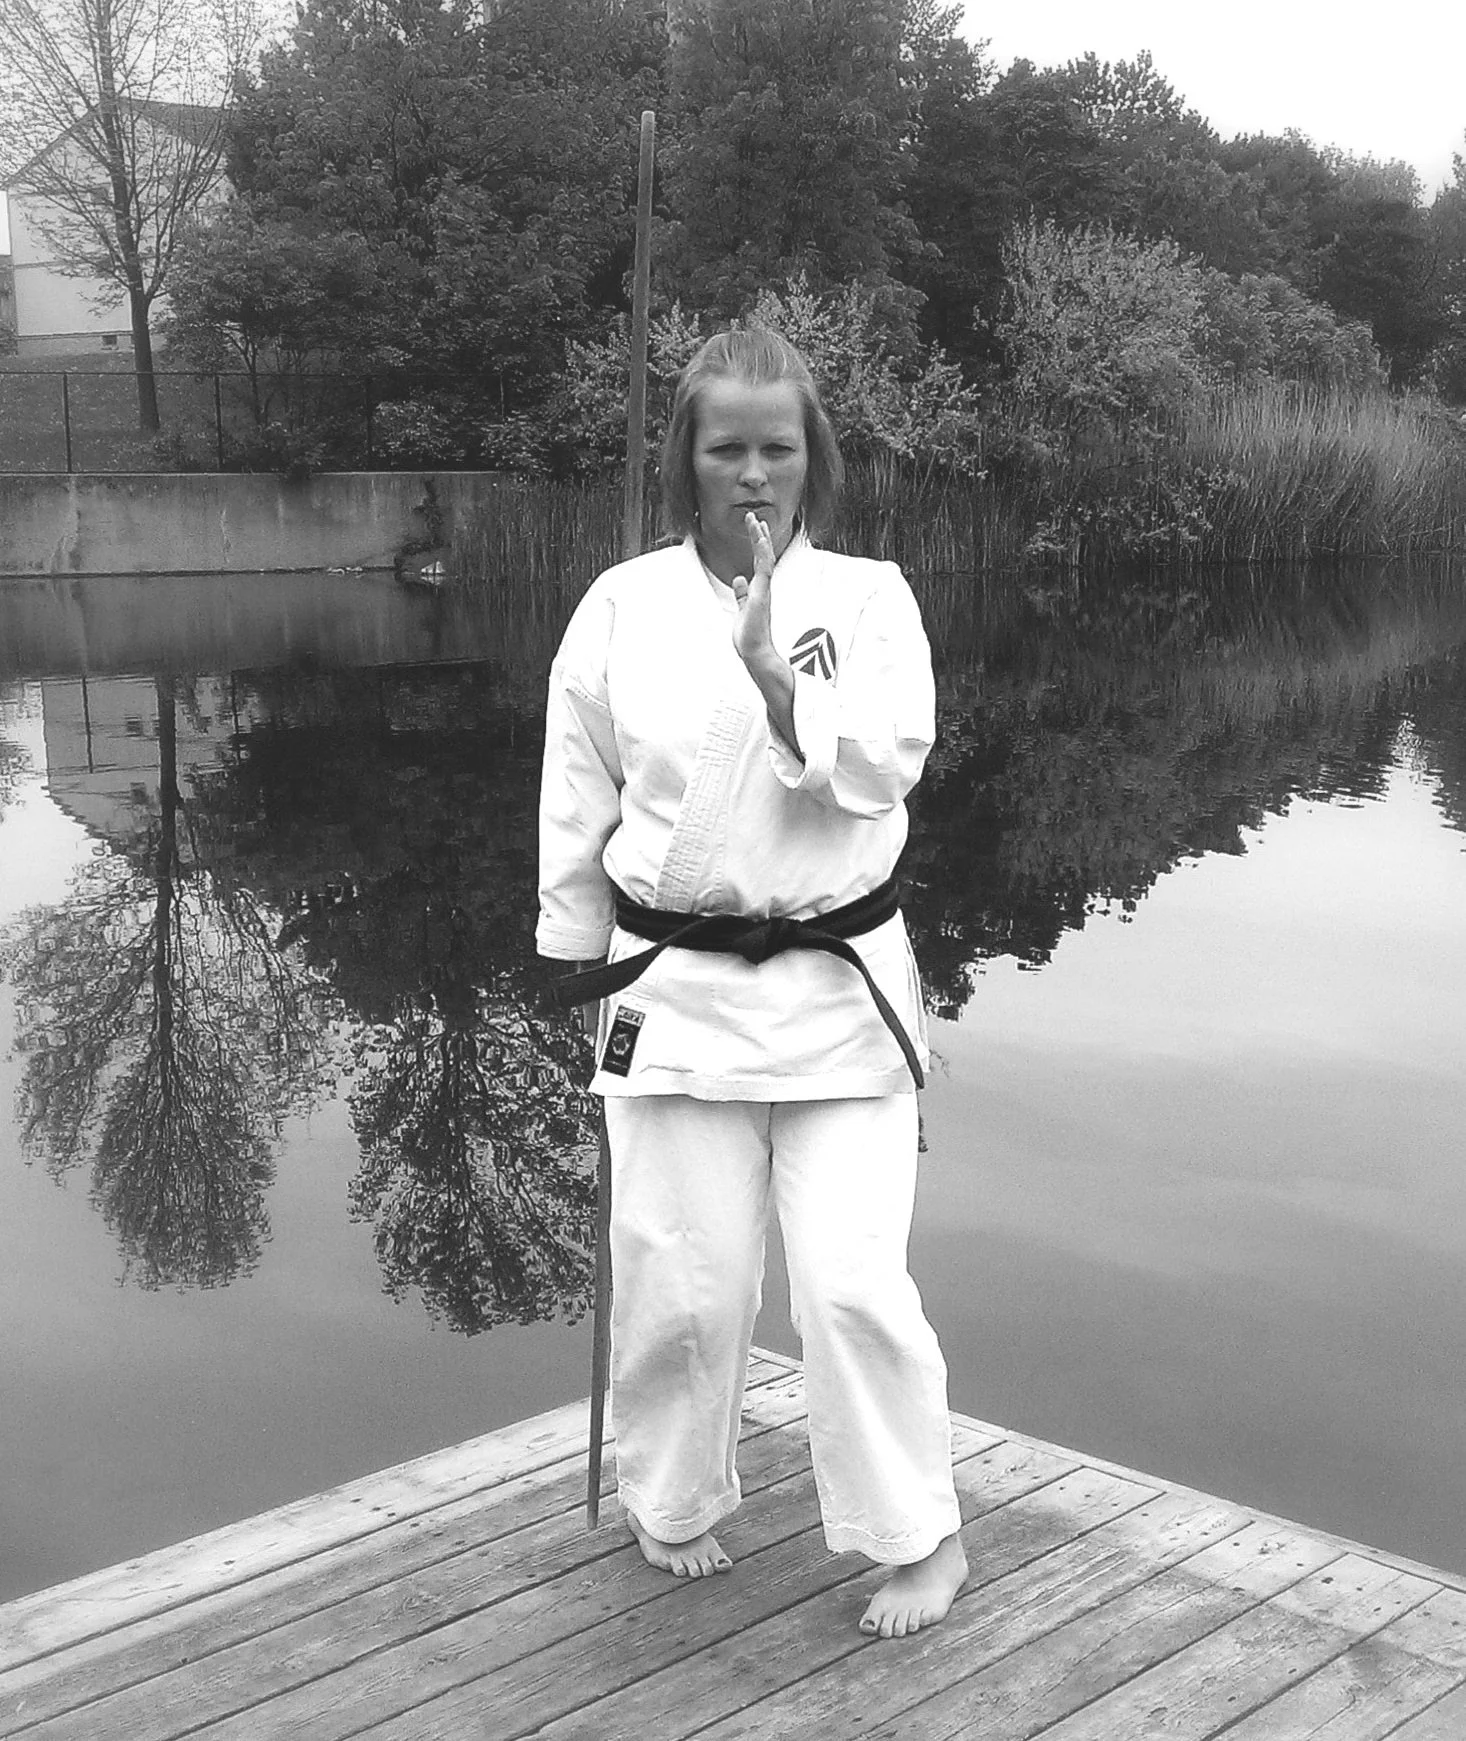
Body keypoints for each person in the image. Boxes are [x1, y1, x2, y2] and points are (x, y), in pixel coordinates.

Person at [536, 327, 966, 1640]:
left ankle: (917, 1536)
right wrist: (571, 953)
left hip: (839, 995)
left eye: (776, 446)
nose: (752, 473)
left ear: (810, 455)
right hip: (671, 992)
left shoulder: (870, 596)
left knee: (849, 1285)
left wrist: (785, 695)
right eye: (726, 447)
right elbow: (576, 786)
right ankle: (672, 1494)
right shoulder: (621, 602)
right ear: (686, 457)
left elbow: (887, 768)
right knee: (680, 1274)